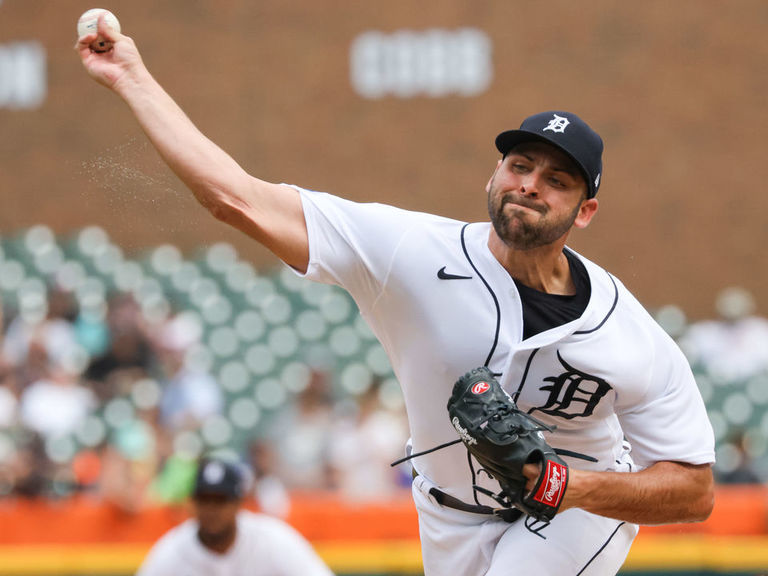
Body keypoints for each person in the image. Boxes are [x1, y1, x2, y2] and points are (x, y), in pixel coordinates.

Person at [77, 19, 715, 576]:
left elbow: (694, 490)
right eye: (519, 165)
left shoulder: (625, 331)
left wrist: (571, 485)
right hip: (447, 517)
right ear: (492, 175)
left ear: (586, 211)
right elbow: (235, 198)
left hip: (579, 512)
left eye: (557, 179)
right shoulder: (410, 251)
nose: (529, 185)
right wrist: (131, 77)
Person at [135, 457, 334, 576]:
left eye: (221, 500)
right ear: (192, 503)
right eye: (205, 500)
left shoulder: (271, 539)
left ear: (238, 503)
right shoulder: (172, 551)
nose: (212, 509)